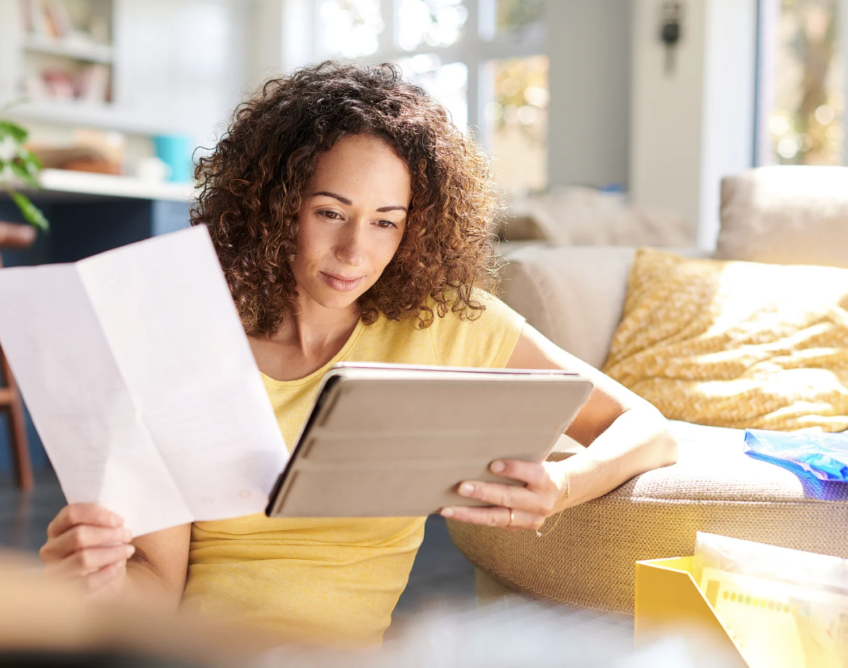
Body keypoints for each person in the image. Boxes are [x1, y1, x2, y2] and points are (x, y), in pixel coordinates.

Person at [39, 62, 678, 646]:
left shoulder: (448, 323)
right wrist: (99, 579)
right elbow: (157, 591)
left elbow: (646, 428)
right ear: (274, 204)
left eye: (385, 221)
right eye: (330, 212)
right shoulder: (186, 339)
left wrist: (563, 485)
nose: (354, 252)